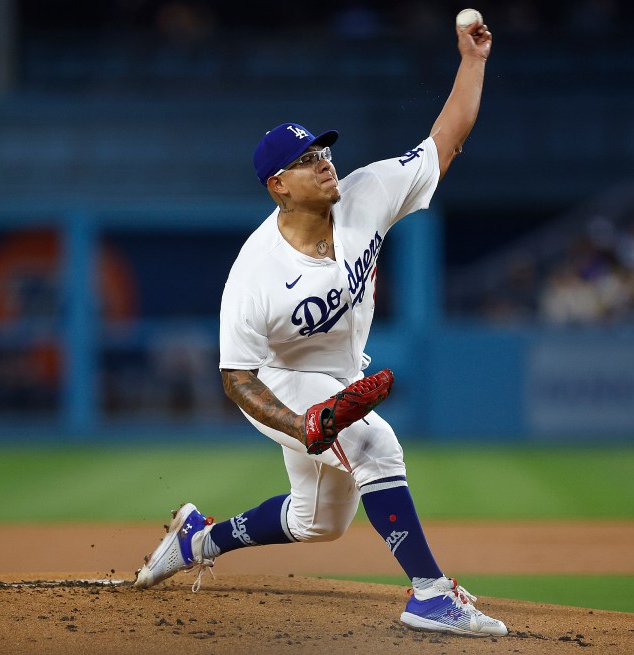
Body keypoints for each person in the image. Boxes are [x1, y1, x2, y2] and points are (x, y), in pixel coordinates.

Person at [134, 13, 507, 638]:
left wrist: (473, 62)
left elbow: (446, 140)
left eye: (325, 151)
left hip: (336, 377)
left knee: (319, 523)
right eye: (308, 160)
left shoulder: (367, 194)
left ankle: (200, 539)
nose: (326, 163)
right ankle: (430, 594)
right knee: (374, 445)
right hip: (278, 385)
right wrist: (298, 422)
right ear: (278, 185)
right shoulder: (254, 274)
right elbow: (236, 379)